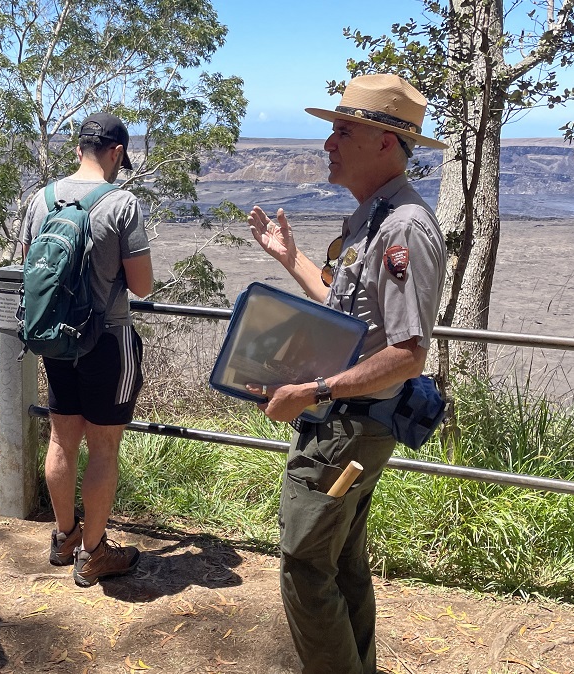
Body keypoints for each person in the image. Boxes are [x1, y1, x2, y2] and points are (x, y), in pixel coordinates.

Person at [245, 73, 448, 674]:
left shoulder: (403, 228)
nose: (328, 143)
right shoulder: (374, 217)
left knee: (305, 567)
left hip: (349, 428)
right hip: (346, 422)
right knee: (341, 563)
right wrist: (291, 257)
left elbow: (409, 352)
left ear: (386, 142)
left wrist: (314, 390)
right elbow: (350, 312)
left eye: (343, 131)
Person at [20, 112, 153, 587]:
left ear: (79, 148)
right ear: (116, 152)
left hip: (55, 339)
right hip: (108, 341)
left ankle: (63, 538)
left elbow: (31, 270)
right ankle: (94, 554)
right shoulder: (121, 204)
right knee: (103, 448)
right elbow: (141, 284)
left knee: (61, 440)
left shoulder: (41, 198)